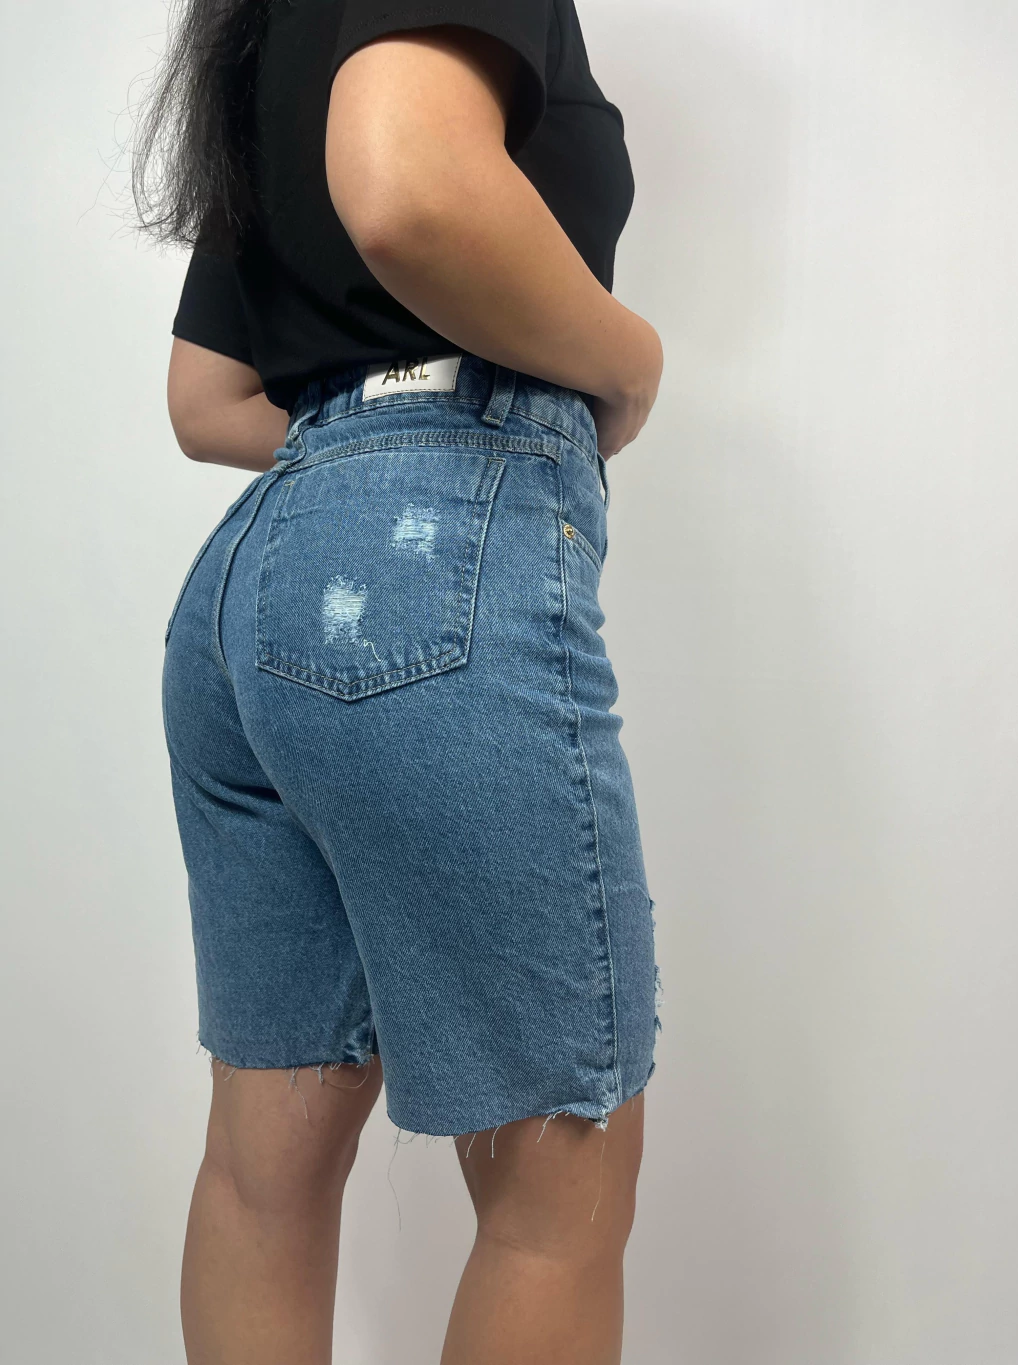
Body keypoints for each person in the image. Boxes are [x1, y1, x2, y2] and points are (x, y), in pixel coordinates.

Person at [134, 1, 664, 1360]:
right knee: (559, 1184)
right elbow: (409, 188)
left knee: (263, 1172)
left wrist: (355, 453)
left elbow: (206, 397)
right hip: (425, 563)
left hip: (249, 587)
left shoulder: (260, 35)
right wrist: (628, 361)